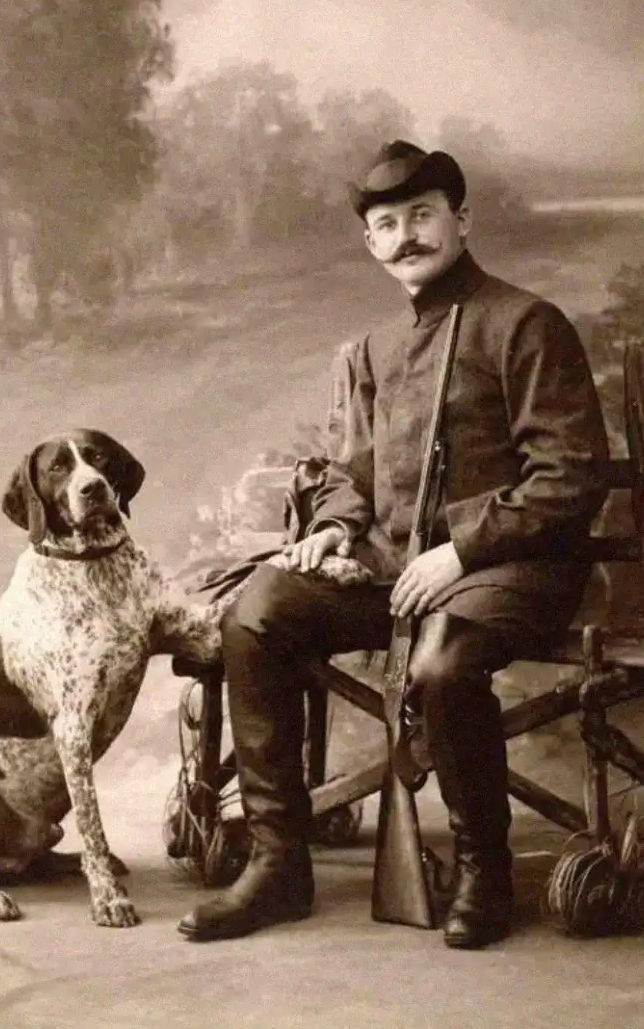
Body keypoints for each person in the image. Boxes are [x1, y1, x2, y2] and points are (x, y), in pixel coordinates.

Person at [177, 140, 609, 949]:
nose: (406, 235)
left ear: (461, 219)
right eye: (387, 224)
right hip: (398, 569)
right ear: (371, 244)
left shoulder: (525, 324)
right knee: (258, 612)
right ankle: (278, 866)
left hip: (513, 571)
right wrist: (338, 526)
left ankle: (484, 867)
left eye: (421, 215)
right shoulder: (375, 350)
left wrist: (461, 551)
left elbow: (569, 479)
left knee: (441, 665)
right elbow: (352, 471)